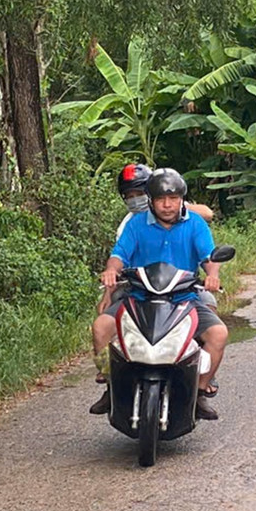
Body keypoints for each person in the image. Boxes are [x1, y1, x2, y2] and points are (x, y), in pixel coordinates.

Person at [89, 168, 227, 419]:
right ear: (150, 200)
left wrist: (212, 274)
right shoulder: (136, 224)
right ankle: (111, 386)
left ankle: (200, 390)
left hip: (185, 298)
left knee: (218, 334)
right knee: (100, 327)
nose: (167, 205)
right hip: (138, 296)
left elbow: (208, 256)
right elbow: (119, 255)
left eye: (173, 199)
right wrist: (111, 271)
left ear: (182, 199)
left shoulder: (195, 224)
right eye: (161, 199)